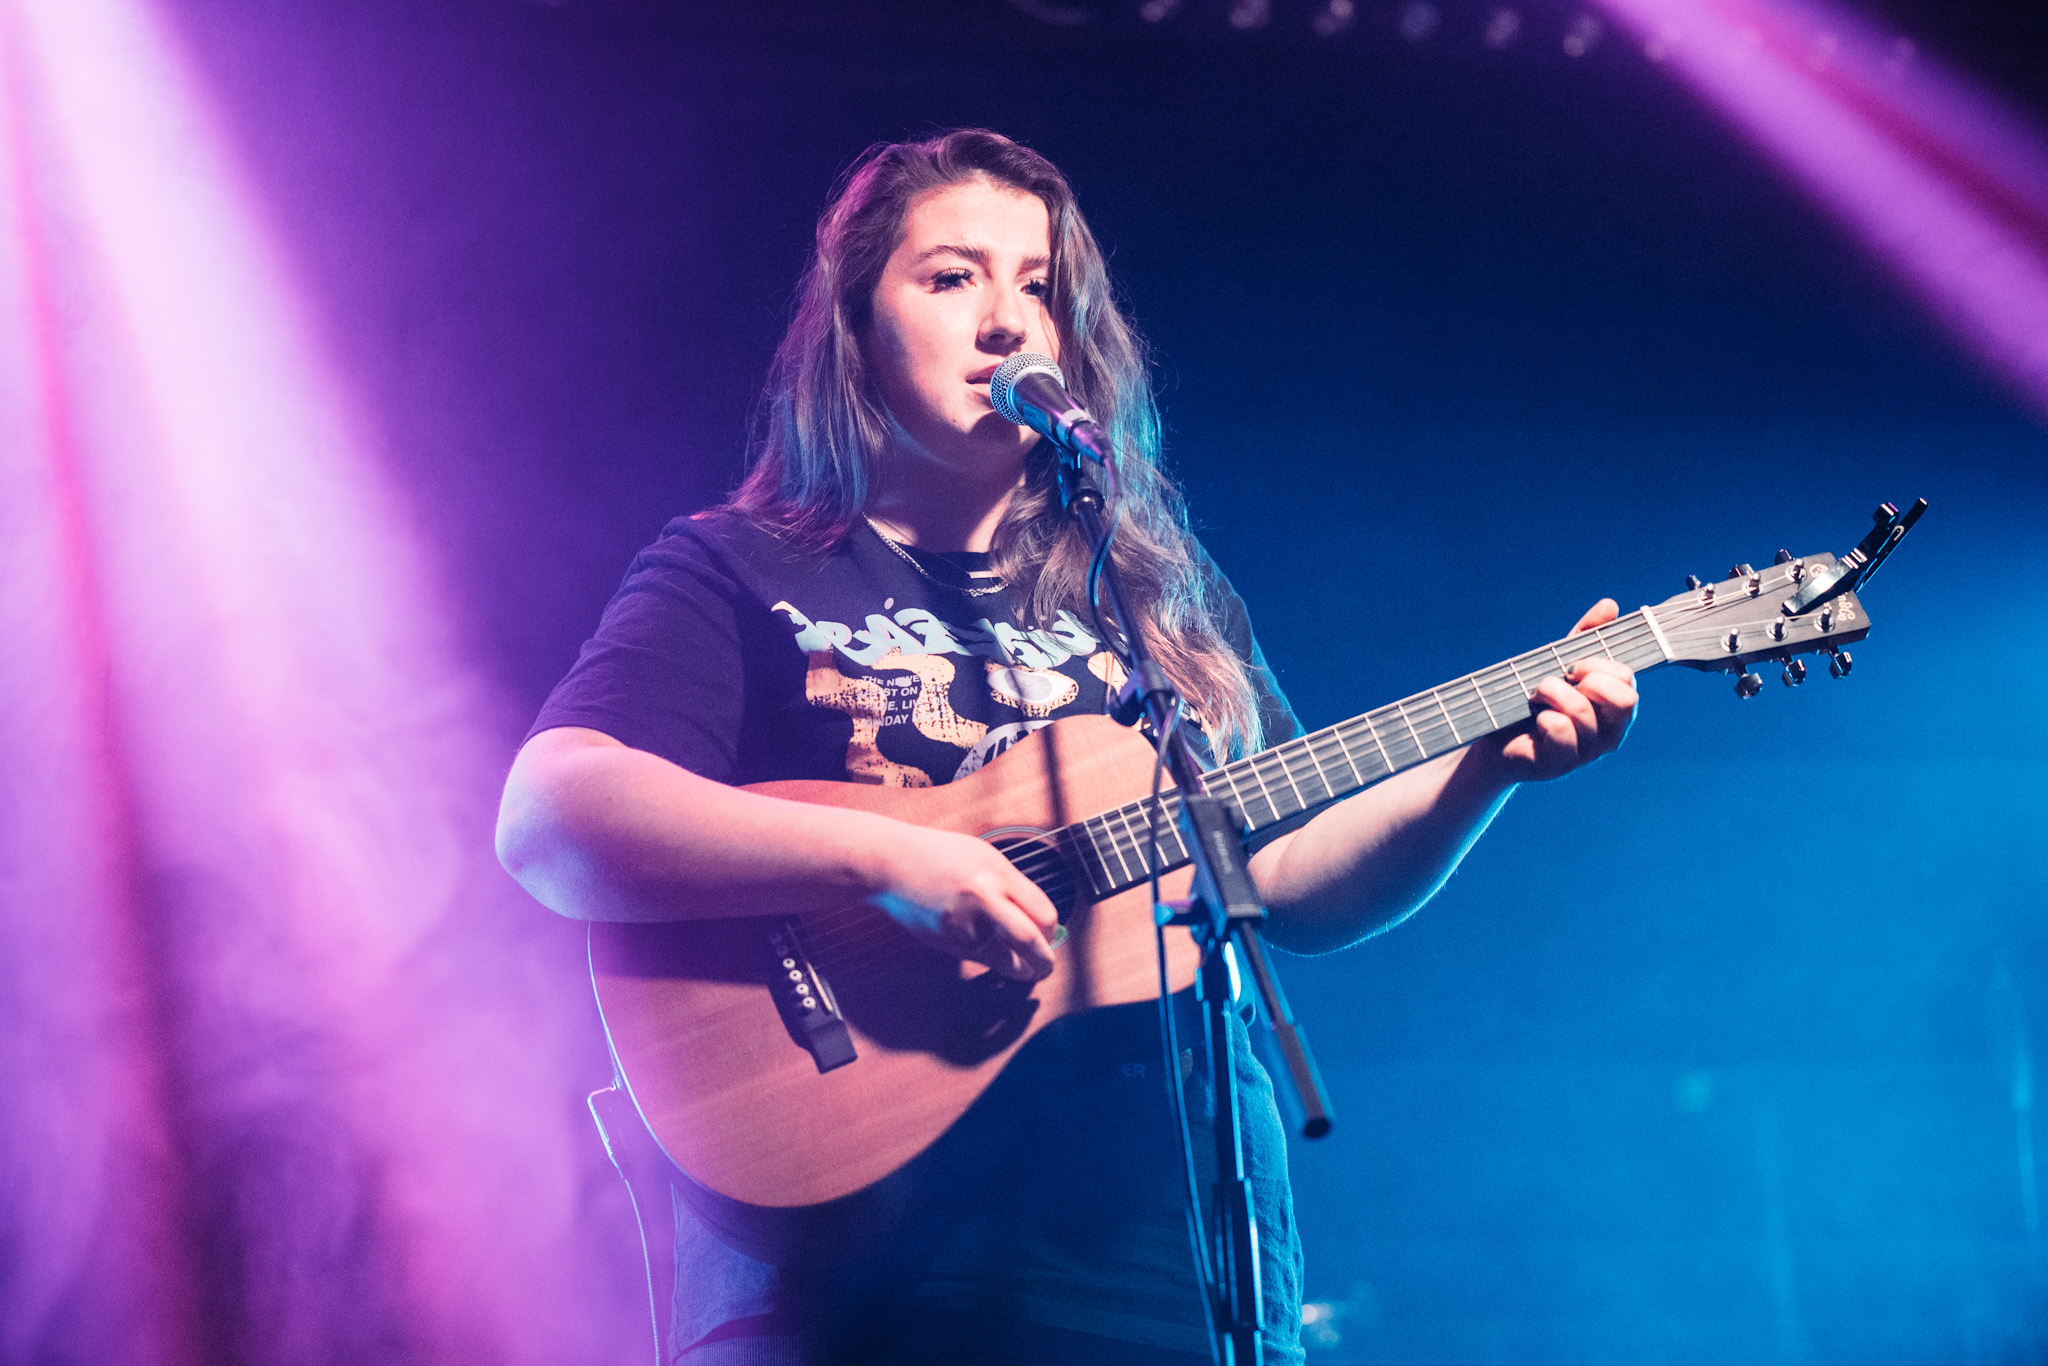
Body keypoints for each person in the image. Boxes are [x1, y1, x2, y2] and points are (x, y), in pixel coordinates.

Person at [495, 128, 1636, 1365]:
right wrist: (884, 861)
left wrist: (1483, 769)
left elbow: (1281, 881)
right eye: (951, 277)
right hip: (855, 1274)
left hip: (1156, 1258)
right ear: (856, 329)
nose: (1006, 320)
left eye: (1036, 285)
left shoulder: (1154, 597)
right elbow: (551, 818)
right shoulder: (739, 566)